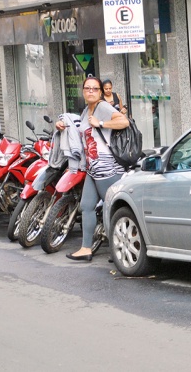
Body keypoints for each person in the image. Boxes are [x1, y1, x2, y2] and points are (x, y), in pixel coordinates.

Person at [55, 77, 129, 262]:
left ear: (100, 92)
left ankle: (118, 249)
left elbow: (123, 122)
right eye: (87, 88)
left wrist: (101, 124)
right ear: (82, 91)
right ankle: (86, 248)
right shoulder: (85, 111)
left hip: (107, 168)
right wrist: (62, 126)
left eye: (95, 89)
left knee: (111, 209)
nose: (90, 91)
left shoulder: (102, 107)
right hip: (92, 167)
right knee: (86, 207)